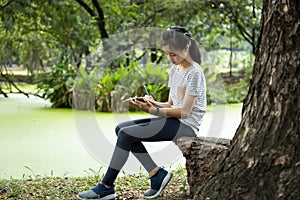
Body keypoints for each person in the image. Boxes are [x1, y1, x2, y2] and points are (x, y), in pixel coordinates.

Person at [77, 26, 207, 200]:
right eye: (167, 54)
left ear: (186, 48)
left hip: (186, 126)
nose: (170, 58)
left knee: (126, 133)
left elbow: (184, 111)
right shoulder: (175, 70)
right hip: (174, 121)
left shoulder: (195, 73)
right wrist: (151, 102)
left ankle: (106, 186)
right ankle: (156, 175)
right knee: (120, 129)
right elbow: (169, 103)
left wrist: (152, 110)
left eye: (173, 54)